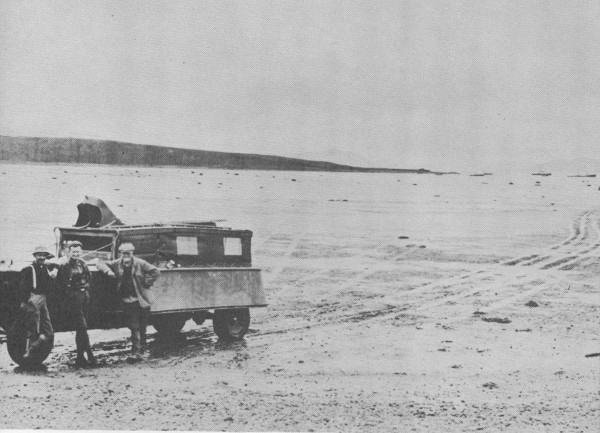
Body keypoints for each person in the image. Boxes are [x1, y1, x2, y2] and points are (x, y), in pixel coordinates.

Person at [97, 243, 160, 360]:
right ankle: (136, 351)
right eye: (123, 253)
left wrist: (147, 282)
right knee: (134, 326)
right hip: (128, 300)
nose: (126, 256)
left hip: (142, 299)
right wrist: (108, 271)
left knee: (142, 326)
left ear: (132, 253)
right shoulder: (117, 263)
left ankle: (141, 349)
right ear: (120, 253)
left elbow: (155, 271)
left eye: (128, 253)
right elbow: (100, 263)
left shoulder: (140, 263)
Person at [56, 241, 96, 367]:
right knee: (82, 327)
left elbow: (89, 277)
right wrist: (70, 295)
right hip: (73, 298)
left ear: (81, 252)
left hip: (84, 296)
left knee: (81, 329)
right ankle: (89, 354)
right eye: (73, 252)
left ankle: (80, 357)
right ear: (69, 252)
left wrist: (85, 288)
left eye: (78, 252)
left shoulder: (82, 263)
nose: (76, 254)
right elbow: (61, 284)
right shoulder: (65, 265)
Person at [19, 246, 58, 360]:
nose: (42, 257)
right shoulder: (28, 269)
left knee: (49, 332)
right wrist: (29, 301)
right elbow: (22, 288)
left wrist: (55, 270)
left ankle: (34, 347)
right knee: (34, 328)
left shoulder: (45, 267)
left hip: (43, 299)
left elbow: (56, 264)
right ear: (35, 256)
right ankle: (29, 352)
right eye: (39, 255)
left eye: (44, 255)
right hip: (33, 298)